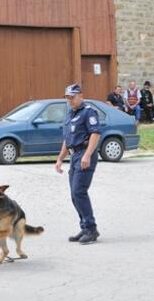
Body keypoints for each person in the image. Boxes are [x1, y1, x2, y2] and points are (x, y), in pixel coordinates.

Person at [55, 84, 101, 244]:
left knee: (79, 191)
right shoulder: (69, 114)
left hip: (84, 154)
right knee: (74, 195)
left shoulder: (88, 112)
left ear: (81, 96)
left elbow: (95, 134)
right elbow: (67, 139)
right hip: (74, 155)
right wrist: (60, 158)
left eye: (72, 97)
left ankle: (91, 229)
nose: (70, 101)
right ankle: (84, 226)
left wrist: (87, 155)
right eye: (67, 98)